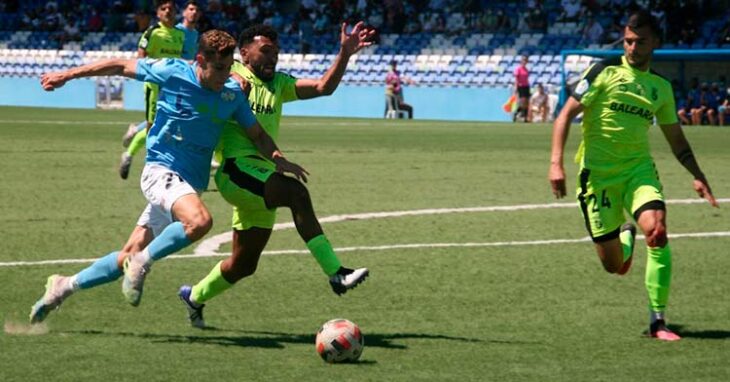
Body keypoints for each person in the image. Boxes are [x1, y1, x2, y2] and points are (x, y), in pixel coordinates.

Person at [29, 30, 307, 323]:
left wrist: (279, 160)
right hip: (160, 171)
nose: (224, 76)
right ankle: (143, 262)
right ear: (201, 60)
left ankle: (63, 286)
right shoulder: (173, 72)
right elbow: (119, 65)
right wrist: (68, 75)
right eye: (218, 69)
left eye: (228, 68)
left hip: (189, 185)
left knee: (126, 256)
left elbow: (258, 135)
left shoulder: (232, 93)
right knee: (199, 222)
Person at [177, 22, 375, 328]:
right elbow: (202, 82)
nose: (273, 58)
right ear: (243, 53)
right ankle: (336, 272)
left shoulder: (279, 84)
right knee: (296, 193)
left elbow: (324, 86)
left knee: (244, 265)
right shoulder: (231, 74)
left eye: (277, 52)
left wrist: (345, 54)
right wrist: (227, 86)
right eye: (266, 51)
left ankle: (194, 296)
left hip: (261, 177)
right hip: (236, 170)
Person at [548, 10, 718, 342]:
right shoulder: (603, 71)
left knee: (657, 231)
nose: (632, 48)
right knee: (613, 265)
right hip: (597, 178)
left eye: (640, 42)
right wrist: (556, 163)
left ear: (656, 43)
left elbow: (677, 139)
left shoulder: (660, 88)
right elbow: (565, 115)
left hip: (638, 171)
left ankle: (658, 321)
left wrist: (697, 175)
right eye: (628, 41)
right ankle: (625, 239)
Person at [119, 0, 185, 180]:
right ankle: (130, 155)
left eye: (171, 9)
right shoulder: (153, 32)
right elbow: (141, 57)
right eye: (163, 9)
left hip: (173, 87)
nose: (168, 11)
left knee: (173, 124)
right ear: (158, 13)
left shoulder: (180, 34)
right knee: (151, 126)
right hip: (155, 87)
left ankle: (167, 164)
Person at [513, 55, 530, 122]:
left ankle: (525, 118)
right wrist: (516, 87)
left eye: (526, 60)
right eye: (523, 60)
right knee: (522, 102)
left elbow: (526, 79)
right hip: (521, 86)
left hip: (526, 86)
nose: (525, 61)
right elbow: (516, 79)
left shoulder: (526, 69)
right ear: (521, 61)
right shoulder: (518, 69)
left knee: (526, 103)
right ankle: (516, 113)